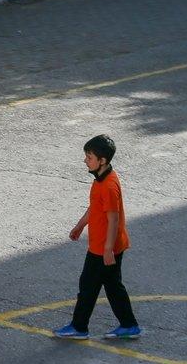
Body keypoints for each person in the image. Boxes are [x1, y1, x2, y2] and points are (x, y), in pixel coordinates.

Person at [54, 135, 142, 340]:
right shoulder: (101, 179)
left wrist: (108, 249)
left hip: (103, 248)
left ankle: (79, 327)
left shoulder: (108, 186)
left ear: (102, 160)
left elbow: (113, 219)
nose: (85, 160)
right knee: (112, 286)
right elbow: (95, 207)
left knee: (88, 286)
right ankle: (129, 325)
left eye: (89, 157)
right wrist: (80, 225)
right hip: (106, 246)